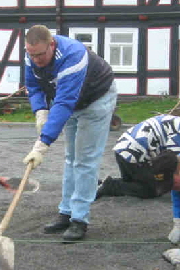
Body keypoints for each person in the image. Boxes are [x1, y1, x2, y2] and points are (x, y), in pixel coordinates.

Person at [22, 25, 117, 241]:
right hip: (70, 100)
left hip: (96, 99)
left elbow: (64, 102)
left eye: (40, 54)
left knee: (85, 160)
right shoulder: (32, 56)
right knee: (70, 158)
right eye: (31, 54)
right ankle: (66, 212)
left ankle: (79, 219)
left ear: (52, 44)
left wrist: (42, 144)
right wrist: (41, 111)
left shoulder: (73, 56)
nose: (35, 59)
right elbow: (33, 85)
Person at [96, 113, 180, 199]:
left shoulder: (171, 119)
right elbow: (175, 162)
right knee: (152, 190)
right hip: (134, 155)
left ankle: (101, 183)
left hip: (122, 149)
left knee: (134, 182)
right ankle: (110, 186)